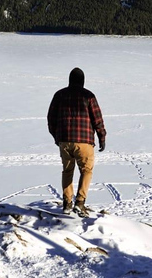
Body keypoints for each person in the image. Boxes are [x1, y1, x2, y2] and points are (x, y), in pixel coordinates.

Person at [47, 67, 106, 217]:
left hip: (65, 140)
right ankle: (80, 202)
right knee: (86, 170)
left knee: (67, 171)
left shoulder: (59, 95)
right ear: (82, 81)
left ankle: (67, 203)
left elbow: (50, 118)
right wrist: (102, 137)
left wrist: (57, 137)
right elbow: (97, 119)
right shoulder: (88, 96)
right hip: (84, 141)